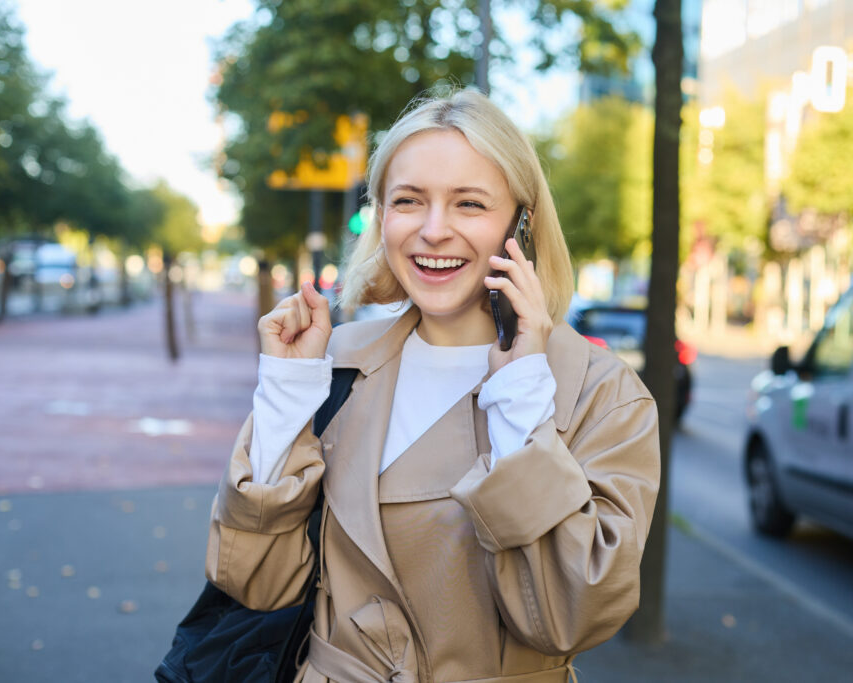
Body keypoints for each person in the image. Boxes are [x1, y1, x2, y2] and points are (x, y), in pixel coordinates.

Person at [205, 88, 660, 683]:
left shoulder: (600, 393)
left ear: (521, 226)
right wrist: (288, 388)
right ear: (383, 216)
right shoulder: (336, 363)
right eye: (409, 201)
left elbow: (569, 617)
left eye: (469, 204)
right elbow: (257, 580)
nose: (434, 230)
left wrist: (521, 394)